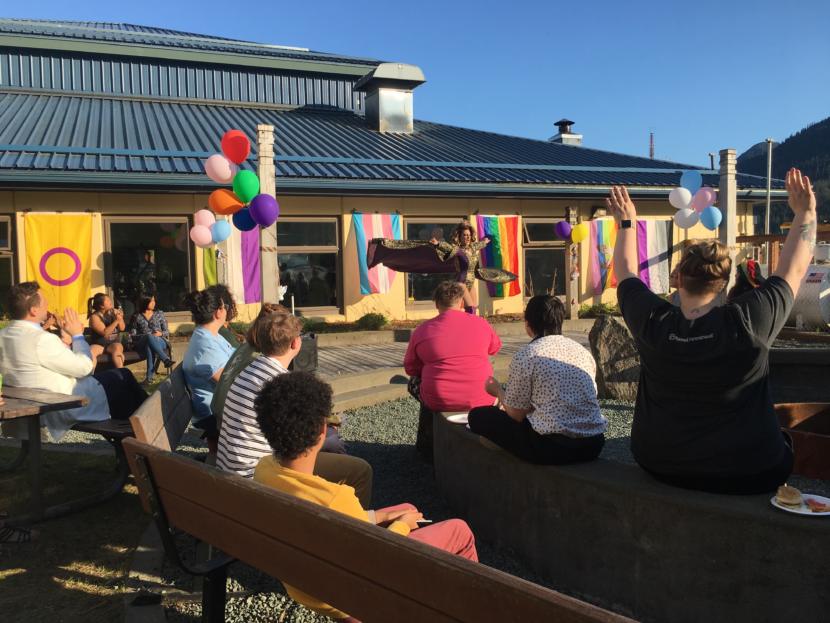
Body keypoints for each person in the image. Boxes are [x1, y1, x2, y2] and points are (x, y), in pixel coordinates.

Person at [606, 168, 817, 494]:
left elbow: (626, 273)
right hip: (751, 470)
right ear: (725, 281)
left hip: (659, 463)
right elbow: (796, 267)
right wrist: (806, 212)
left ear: (677, 278)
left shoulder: (653, 321)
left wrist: (627, 222)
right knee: (786, 441)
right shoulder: (751, 319)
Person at [253, 371, 478, 621]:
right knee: (459, 530)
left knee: (407, 506)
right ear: (321, 432)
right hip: (350, 596)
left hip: (304, 582)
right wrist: (401, 526)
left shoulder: (263, 470)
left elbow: (349, 522)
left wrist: (385, 515)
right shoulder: (335, 498)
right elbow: (378, 556)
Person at [215, 304, 367, 500]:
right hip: (259, 476)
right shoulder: (280, 384)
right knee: (359, 470)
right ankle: (354, 524)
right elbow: (298, 441)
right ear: (296, 343)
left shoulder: (250, 371)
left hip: (232, 469)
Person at [468, 295, 607, 464]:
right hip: (593, 444)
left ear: (528, 324)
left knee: (478, 416)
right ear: (560, 321)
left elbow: (516, 414)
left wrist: (497, 390)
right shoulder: (582, 352)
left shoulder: (528, 355)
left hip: (552, 447)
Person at [0, 282, 145, 439]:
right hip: (65, 403)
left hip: (36, 401)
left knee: (122, 380)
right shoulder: (41, 339)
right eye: (45, 301)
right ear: (34, 310)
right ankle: (146, 432)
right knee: (123, 378)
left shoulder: (4, 335)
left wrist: (65, 342)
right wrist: (77, 336)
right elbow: (85, 368)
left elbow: (39, 363)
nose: (48, 304)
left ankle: (132, 441)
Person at [404, 281, 501, 458]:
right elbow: (494, 348)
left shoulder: (422, 330)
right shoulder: (481, 324)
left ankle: (427, 443)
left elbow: (411, 368)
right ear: (461, 303)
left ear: (436, 304)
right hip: (482, 397)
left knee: (415, 383)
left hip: (439, 398)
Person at [182, 288, 235, 449]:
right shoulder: (206, 346)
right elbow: (229, 383)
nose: (227, 309)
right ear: (218, 312)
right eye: (225, 306)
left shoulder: (209, 336)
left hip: (218, 407)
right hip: (213, 414)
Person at [430, 221, 490, 313]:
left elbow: (480, 244)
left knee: (473, 310)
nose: (468, 237)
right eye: (465, 235)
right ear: (460, 236)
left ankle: (469, 327)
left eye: (469, 235)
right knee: (469, 309)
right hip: (462, 283)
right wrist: (438, 244)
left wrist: (485, 241)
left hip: (471, 283)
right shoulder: (457, 249)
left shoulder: (473, 247)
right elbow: (448, 248)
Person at [129, 295, 174, 385]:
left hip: (160, 341)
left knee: (150, 345)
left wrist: (160, 334)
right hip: (142, 341)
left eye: (154, 301)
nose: (154, 303)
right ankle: (165, 359)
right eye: (151, 301)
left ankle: (149, 378)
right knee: (149, 337)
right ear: (145, 302)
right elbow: (133, 335)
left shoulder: (159, 314)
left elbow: (166, 331)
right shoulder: (137, 316)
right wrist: (146, 336)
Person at [87, 293, 126, 368]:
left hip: (113, 343)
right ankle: (90, 375)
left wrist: (120, 318)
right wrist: (116, 321)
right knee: (91, 352)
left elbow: (122, 328)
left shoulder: (113, 313)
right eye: (107, 300)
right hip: (99, 344)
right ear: (102, 306)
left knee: (117, 349)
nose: (110, 302)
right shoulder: (94, 317)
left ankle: (121, 374)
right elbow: (104, 333)